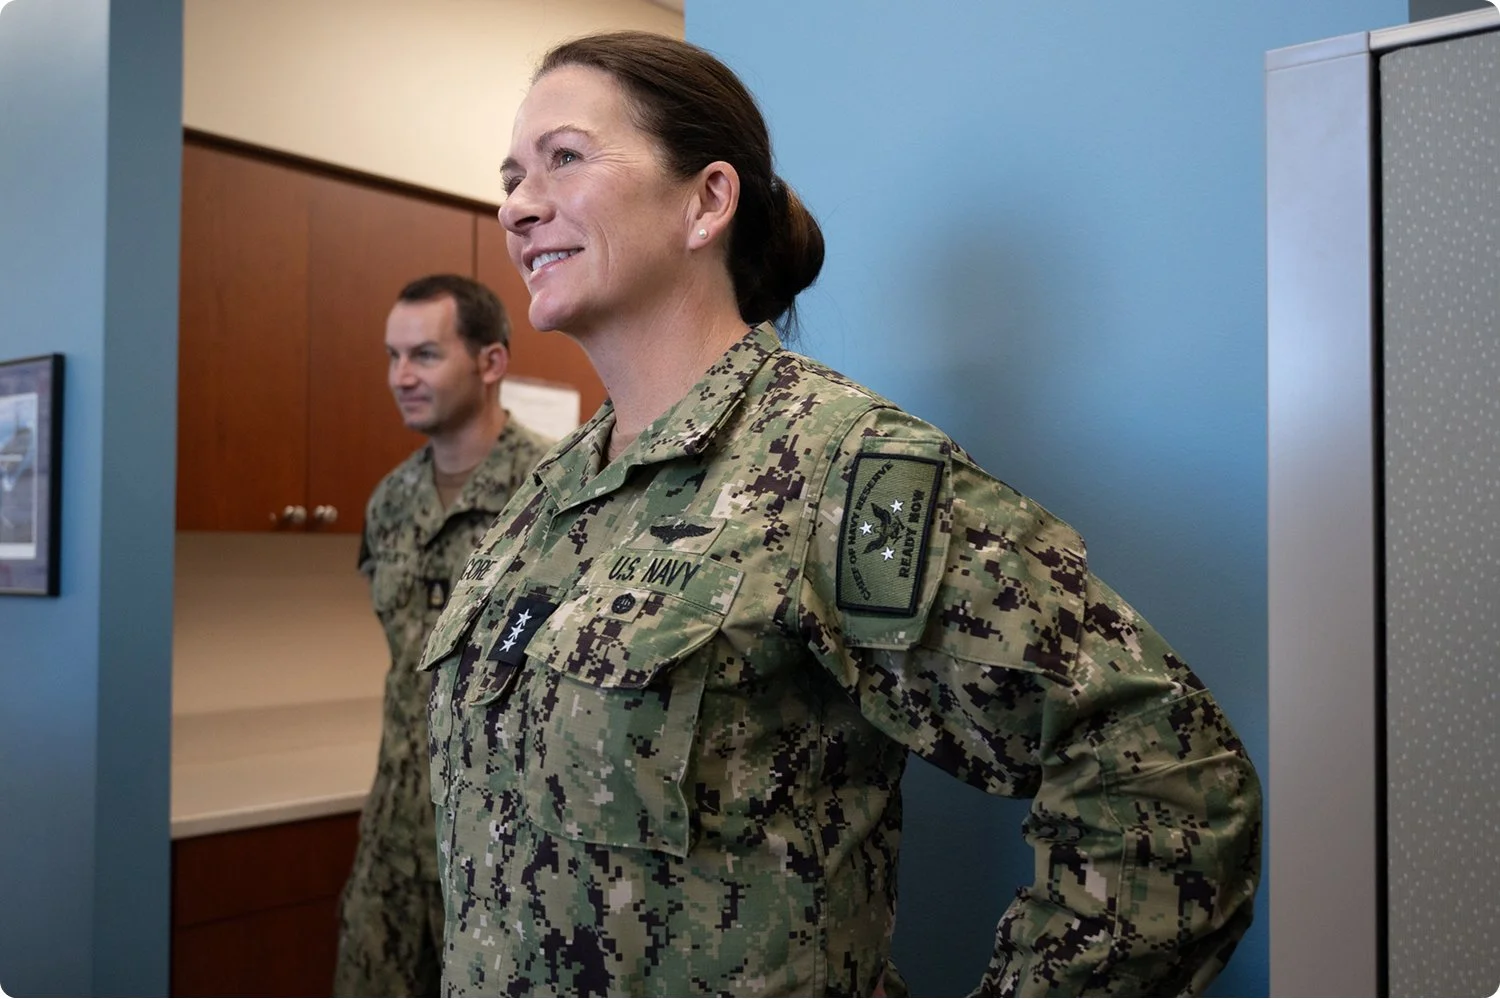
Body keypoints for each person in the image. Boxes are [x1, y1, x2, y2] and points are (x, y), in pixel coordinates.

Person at [419, 32, 1262, 997]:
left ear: (707, 201)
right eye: (512, 174)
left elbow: (1166, 772)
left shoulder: (832, 464)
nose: (517, 205)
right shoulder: (543, 495)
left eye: (564, 157)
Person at [335, 274, 553, 996]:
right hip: (393, 842)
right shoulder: (391, 502)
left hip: (507, 857)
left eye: (424, 355)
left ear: (491, 361)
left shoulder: (558, 495)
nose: (401, 377)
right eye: (392, 356)